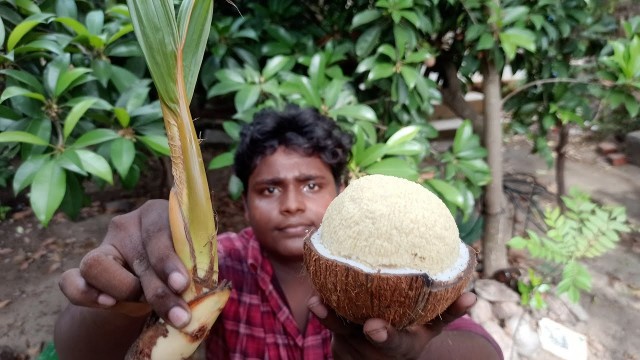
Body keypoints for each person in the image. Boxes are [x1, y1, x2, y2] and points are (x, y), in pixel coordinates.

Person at [54, 106, 503, 359]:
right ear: (245, 204)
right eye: (269, 188)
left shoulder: (398, 266)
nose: (291, 204)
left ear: (343, 194)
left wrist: (419, 356)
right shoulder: (220, 264)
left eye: (311, 184)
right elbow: (76, 352)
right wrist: (123, 302)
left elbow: (481, 351)